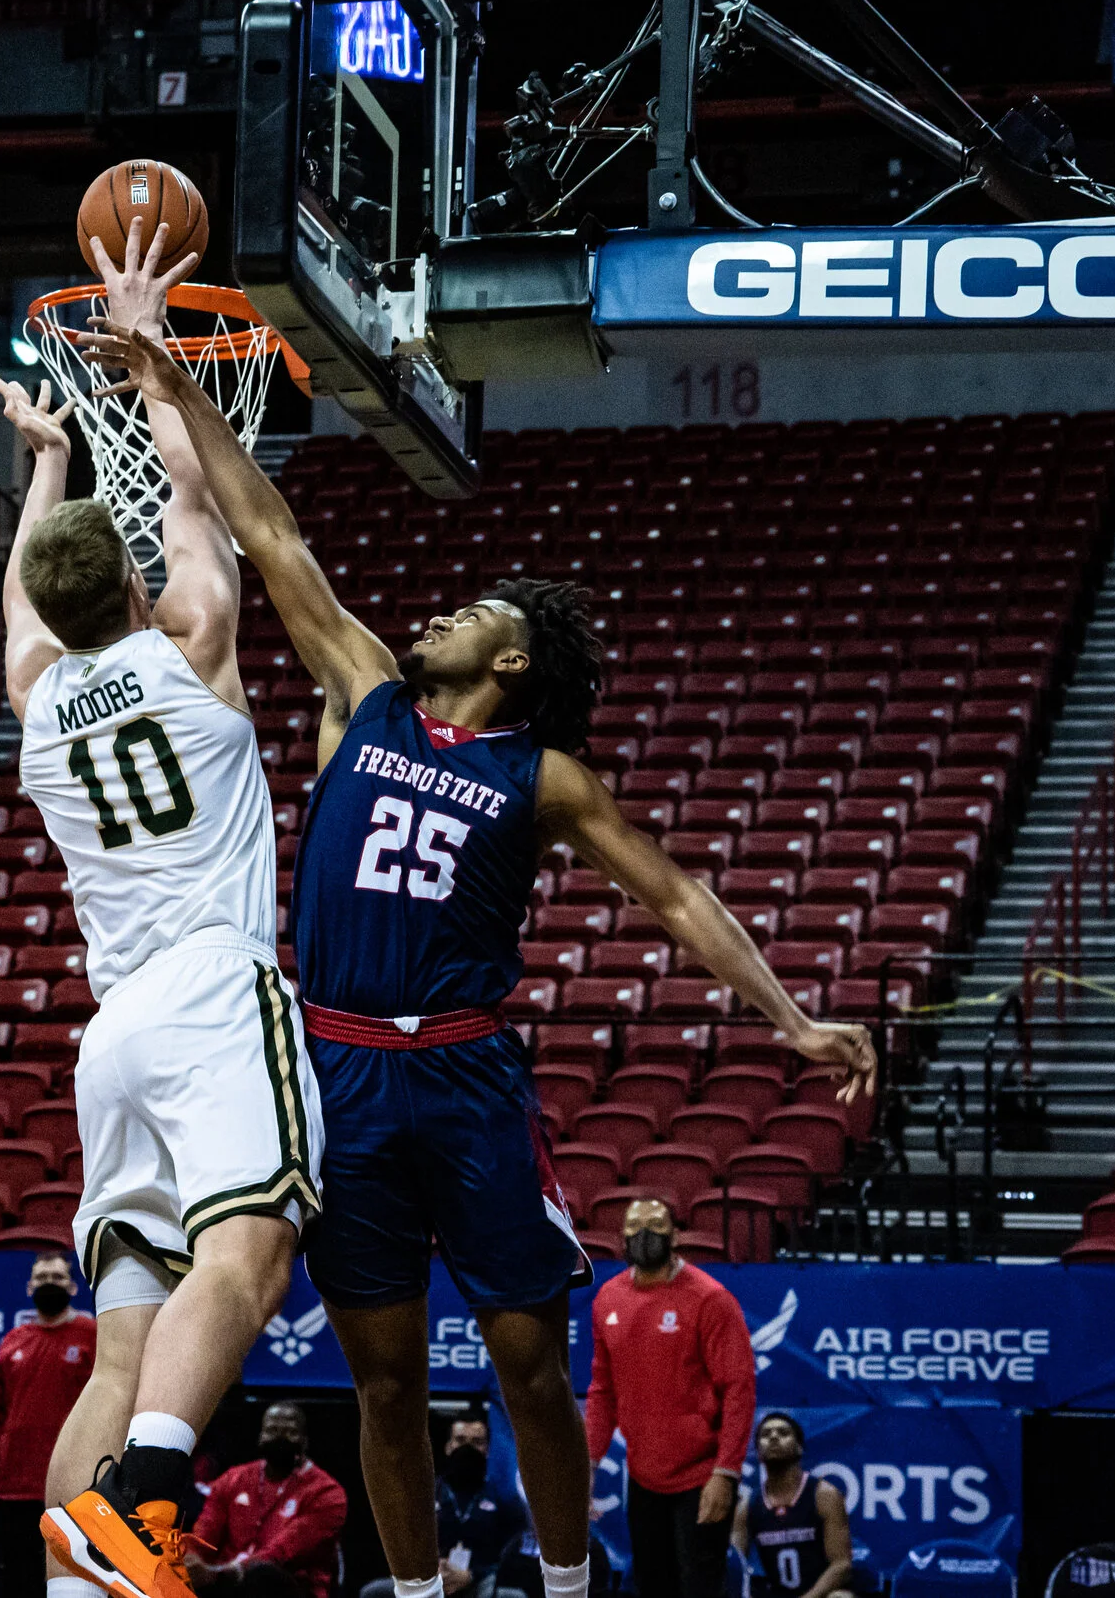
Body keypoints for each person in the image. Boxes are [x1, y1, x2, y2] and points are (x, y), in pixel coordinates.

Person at [81, 297, 874, 1598]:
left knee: (526, 1360)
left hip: (466, 1076)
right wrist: (177, 387)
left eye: (468, 607)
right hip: (339, 1067)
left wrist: (792, 1018)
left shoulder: (543, 773)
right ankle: (408, 1591)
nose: (439, 611)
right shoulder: (366, 689)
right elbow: (269, 529)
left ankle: (565, 1584)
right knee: (385, 1380)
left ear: (509, 655)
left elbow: (674, 897)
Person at [0, 217, 323, 1598]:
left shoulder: (32, 701)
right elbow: (199, 495)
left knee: (123, 1343)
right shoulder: (193, 647)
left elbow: (27, 596)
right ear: (132, 586)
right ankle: (141, 1506)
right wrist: (154, 376)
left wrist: (53, 462)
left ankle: (78, 1578)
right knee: (251, 1250)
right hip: (209, 995)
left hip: (113, 1029)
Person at [583, 1199, 759, 1598]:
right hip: (643, 1477)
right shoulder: (608, 1299)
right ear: (622, 1237)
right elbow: (602, 1391)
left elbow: (738, 1388)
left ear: (676, 1236)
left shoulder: (710, 1299)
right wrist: (588, 1465)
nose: (644, 1233)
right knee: (651, 1586)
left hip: (701, 1476)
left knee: (699, 1587)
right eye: (634, 1225)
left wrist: (726, 1472)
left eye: (656, 1224)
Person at [0, 1255, 96, 1598]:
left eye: (57, 1277)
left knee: (72, 1581)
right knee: (19, 1579)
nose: (49, 1283)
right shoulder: (14, 1340)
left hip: (75, 1487)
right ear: (29, 1287)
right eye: (41, 1277)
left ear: (73, 1287)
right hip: (16, 1488)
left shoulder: (92, 1336)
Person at [185, 1404, 346, 1598]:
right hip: (222, 1582)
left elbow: (282, 1553)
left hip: (291, 1587)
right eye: (272, 1430)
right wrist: (191, 1559)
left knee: (261, 1575)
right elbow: (204, 1533)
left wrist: (220, 1573)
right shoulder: (234, 1479)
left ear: (305, 1440)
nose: (280, 1437)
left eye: (290, 1432)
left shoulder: (327, 1493)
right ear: (261, 1436)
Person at [360, 1416, 526, 1598]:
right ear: (448, 1446)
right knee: (372, 1592)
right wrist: (430, 1570)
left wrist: (472, 1575)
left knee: (514, 1596)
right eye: (461, 1440)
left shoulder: (502, 1498)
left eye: (477, 1442)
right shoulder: (425, 1494)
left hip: (478, 1581)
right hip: (426, 1576)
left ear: (487, 1449)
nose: (468, 1448)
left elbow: (509, 1553)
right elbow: (400, 1540)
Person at [734, 1415, 853, 1598]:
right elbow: (736, 1565)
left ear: (799, 1448)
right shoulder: (747, 1505)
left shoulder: (824, 1495)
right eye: (766, 1434)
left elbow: (842, 1565)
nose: (773, 1437)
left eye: (783, 1433)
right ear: (758, 1453)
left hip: (821, 1594)